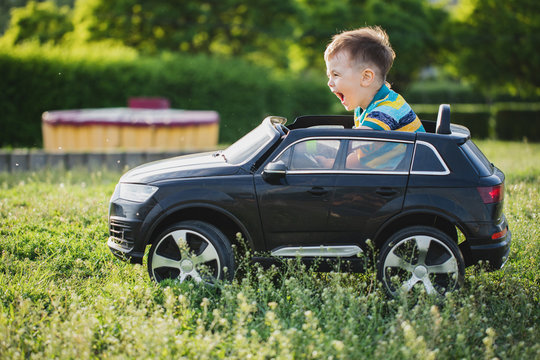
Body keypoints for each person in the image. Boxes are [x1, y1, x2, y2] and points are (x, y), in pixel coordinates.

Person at [324, 26, 425, 133]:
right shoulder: (362, 109)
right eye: (329, 76)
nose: (329, 83)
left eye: (336, 74)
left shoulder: (388, 109)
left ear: (366, 77)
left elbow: (358, 142)